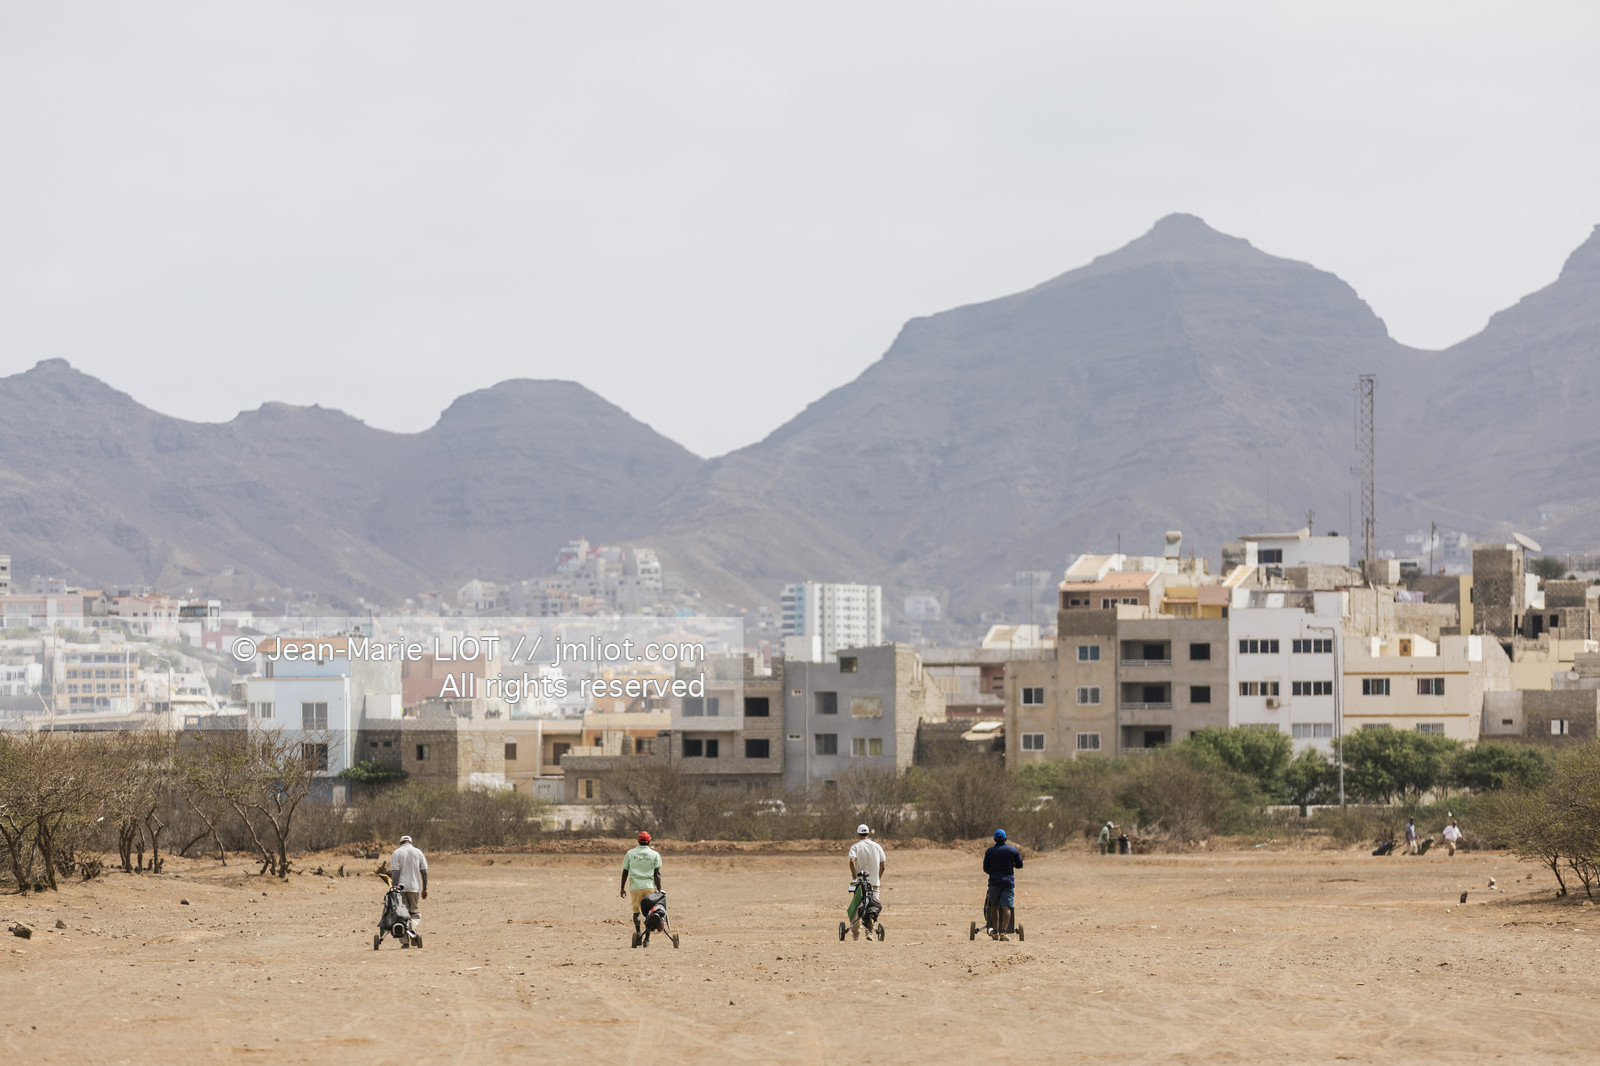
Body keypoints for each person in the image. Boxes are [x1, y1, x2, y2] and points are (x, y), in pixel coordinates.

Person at [620, 831, 664, 940]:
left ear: (638, 841)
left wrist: (622, 888)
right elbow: (657, 874)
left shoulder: (630, 853)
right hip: (649, 887)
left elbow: (625, 871)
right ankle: (647, 938)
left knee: (636, 912)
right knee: (649, 913)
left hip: (635, 887)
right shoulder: (655, 854)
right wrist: (659, 890)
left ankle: (639, 932)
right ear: (649, 841)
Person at [846, 824, 887, 941]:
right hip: (874, 883)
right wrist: (878, 878)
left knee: (857, 907)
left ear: (858, 834)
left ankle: (855, 934)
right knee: (873, 907)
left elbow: (852, 861)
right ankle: (869, 931)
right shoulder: (877, 846)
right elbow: (883, 865)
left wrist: (855, 877)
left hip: (860, 883)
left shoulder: (855, 847)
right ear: (868, 833)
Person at [982, 829, 1023, 941]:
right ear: (1005, 838)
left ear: (995, 839)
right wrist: (1010, 865)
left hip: (994, 883)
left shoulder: (990, 851)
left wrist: (994, 873)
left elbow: (985, 868)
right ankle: (1003, 932)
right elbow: (1020, 865)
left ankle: (995, 932)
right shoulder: (1012, 851)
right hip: (1008, 883)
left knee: (994, 907)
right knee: (1006, 907)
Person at [388, 835, 428, 947]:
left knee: (402, 914)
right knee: (414, 912)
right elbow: (424, 871)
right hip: (414, 888)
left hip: (400, 888)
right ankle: (413, 930)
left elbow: (395, 872)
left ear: (401, 843)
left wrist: (395, 889)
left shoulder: (397, 853)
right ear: (411, 842)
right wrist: (425, 888)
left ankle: (405, 941)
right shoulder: (418, 852)